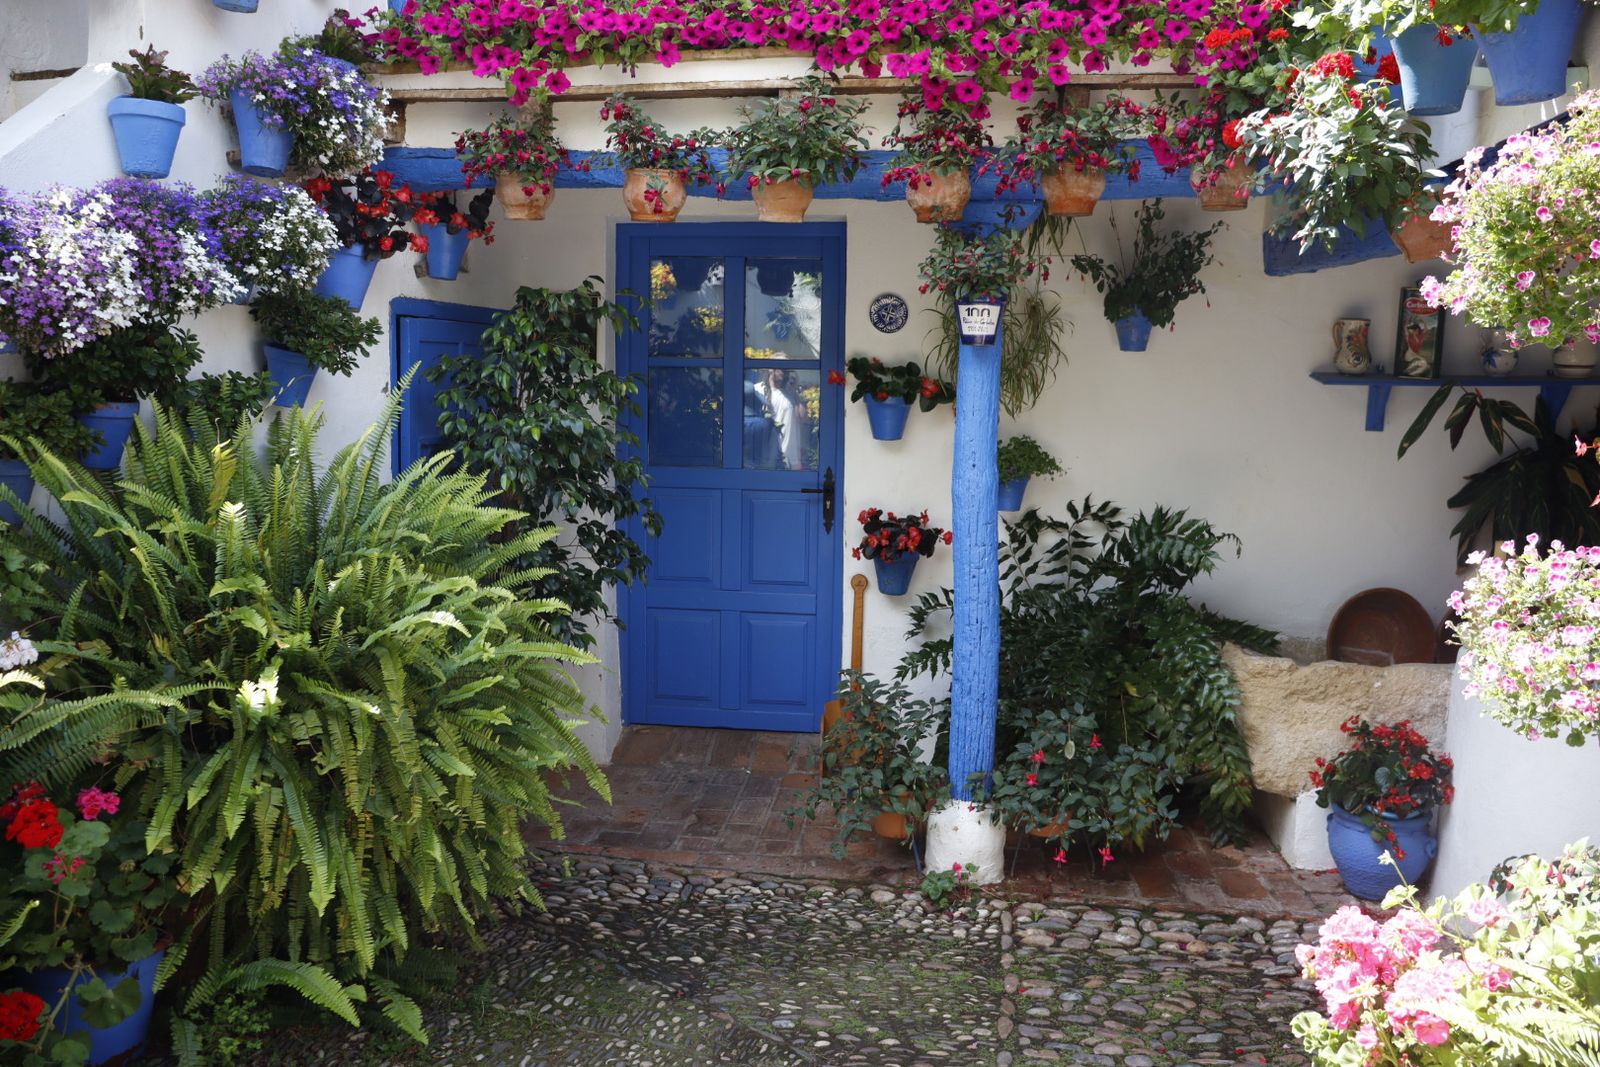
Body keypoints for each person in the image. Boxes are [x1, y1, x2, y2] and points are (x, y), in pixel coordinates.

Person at [756, 367, 811, 471]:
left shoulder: (790, 393)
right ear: (770, 370)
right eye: (781, 368)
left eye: (787, 369)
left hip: (789, 457)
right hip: (766, 457)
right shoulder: (758, 389)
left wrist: (794, 389)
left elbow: (803, 417)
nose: (784, 371)